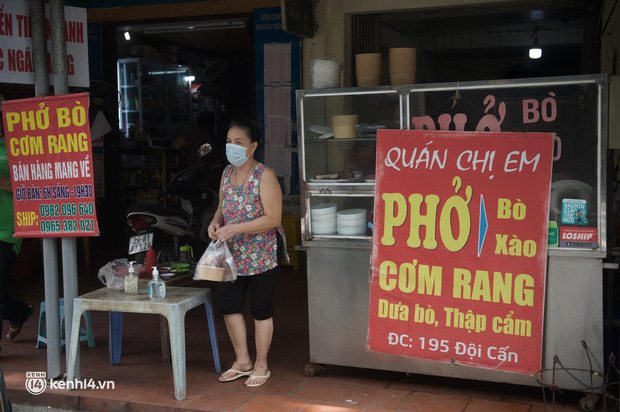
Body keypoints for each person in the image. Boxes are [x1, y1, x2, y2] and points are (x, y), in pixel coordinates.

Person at [207, 118, 287, 388]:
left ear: (252, 147)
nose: (232, 147)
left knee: (261, 310)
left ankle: (262, 364)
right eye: (229, 142)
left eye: (238, 142)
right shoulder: (226, 173)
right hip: (233, 255)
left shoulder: (265, 175)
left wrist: (236, 228)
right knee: (229, 306)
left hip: (262, 253)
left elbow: (273, 218)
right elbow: (222, 204)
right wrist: (216, 221)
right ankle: (242, 361)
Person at [0, 94, 34, 349]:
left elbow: (26, 184)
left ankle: (17, 312)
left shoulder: (16, 144)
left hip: (7, 229)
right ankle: (17, 311)